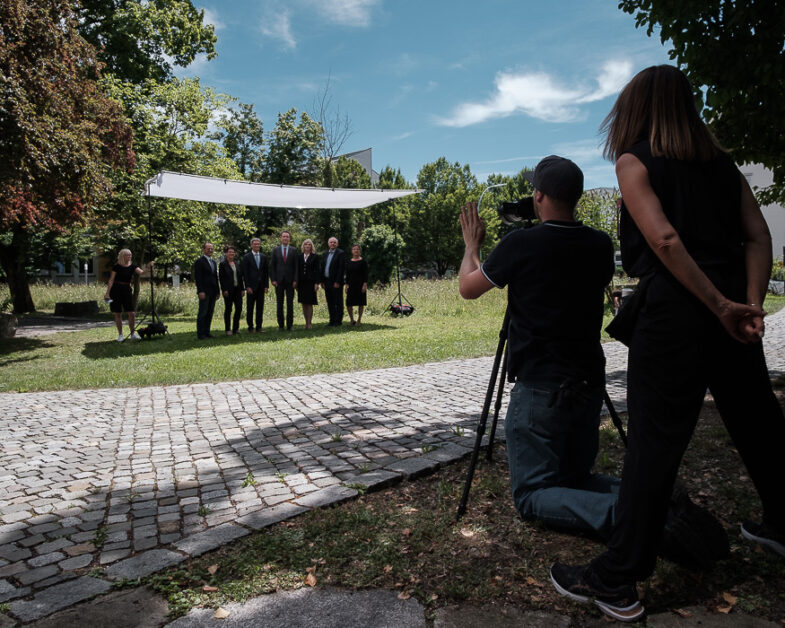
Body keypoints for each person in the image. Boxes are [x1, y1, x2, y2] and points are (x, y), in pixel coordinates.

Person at [550, 65, 785, 623]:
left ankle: (618, 578)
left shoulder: (634, 161)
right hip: (729, 311)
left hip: (677, 317)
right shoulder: (724, 167)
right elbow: (758, 236)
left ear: (635, 107)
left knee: (654, 444)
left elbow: (664, 238)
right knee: (758, 421)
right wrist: (744, 302)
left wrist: (722, 305)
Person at [459, 156, 620, 541]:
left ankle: (630, 514)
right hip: (587, 381)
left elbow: (468, 287)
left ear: (539, 197)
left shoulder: (521, 243)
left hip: (540, 387)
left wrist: (471, 246)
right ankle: (650, 497)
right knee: (576, 478)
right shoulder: (600, 244)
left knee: (532, 495)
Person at [104, 249, 151, 342]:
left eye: (130, 255)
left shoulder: (133, 266)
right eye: (128, 255)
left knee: (132, 313)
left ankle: (132, 334)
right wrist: (107, 293)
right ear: (122, 256)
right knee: (118, 313)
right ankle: (120, 335)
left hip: (126, 289)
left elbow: (141, 273)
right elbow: (111, 280)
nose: (130, 256)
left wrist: (149, 267)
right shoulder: (116, 266)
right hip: (116, 290)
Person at [270, 230, 298, 330]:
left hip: (291, 282)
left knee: (290, 304)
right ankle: (281, 325)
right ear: (281, 238)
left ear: (289, 239)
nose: (285, 238)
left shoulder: (294, 250)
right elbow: (272, 266)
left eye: (287, 237)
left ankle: (290, 325)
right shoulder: (275, 250)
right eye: (284, 236)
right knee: (279, 304)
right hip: (279, 281)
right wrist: (273, 279)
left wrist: (295, 280)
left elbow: (296, 267)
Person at [240, 237, 269, 333]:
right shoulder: (246, 257)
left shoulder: (264, 257)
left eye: (258, 244)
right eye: (255, 244)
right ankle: (250, 327)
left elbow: (266, 272)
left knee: (260, 308)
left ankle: (259, 327)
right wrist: (247, 286)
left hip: (261, 287)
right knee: (250, 308)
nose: (257, 245)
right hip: (251, 287)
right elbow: (245, 273)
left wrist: (266, 286)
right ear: (251, 245)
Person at [194, 241, 220, 340]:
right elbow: (198, 278)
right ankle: (201, 334)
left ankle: (207, 332)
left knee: (210, 313)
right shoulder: (199, 262)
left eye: (211, 248)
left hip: (213, 291)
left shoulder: (213, 262)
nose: (210, 250)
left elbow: (215, 278)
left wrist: (218, 291)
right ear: (203, 249)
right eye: (208, 248)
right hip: (204, 292)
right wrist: (200, 291)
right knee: (203, 313)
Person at [219, 245, 245, 335]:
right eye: (230, 252)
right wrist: (224, 290)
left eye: (233, 252)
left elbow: (240, 277)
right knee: (228, 310)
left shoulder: (237, 263)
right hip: (228, 291)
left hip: (238, 290)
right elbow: (221, 278)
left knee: (239, 308)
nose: (231, 253)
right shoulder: (222, 264)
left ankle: (236, 328)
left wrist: (242, 289)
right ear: (226, 253)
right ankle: (227, 329)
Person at [321, 236, 346, 326]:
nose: (332, 244)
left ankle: (338, 321)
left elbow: (341, 268)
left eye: (334, 242)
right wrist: (322, 281)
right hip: (327, 282)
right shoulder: (325, 254)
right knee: (330, 301)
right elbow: (322, 268)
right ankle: (331, 320)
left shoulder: (340, 253)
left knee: (338, 301)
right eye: (331, 242)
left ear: (337, 244)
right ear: (328, 244)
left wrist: (338, 281)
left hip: (336, 282)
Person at [297, 239, 320, 329]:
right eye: (306, 244)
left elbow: (317, 271)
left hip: (311, 283)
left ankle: (309, 323)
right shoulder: (299, 256)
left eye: (309, 244)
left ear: (311, 246)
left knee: (309, 303)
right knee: (303, 303)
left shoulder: (315, 257)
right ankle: (305, 322)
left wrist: (316, 283)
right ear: (303, 246)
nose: (307, 245)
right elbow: (297, 270)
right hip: (301, 283)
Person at [345, 244, 368, 326]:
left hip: (360, 285)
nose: (356, 250)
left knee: (360, 303)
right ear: (352, 251)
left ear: (359, 251)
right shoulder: (349, 262)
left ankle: (359, 320)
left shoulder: (363, 262)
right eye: (354, 249)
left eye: (357, 249)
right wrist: (346, 285)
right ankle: (351, 319)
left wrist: (364, 285)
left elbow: (365, 274)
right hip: (351, 285)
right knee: (348, 303)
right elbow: (347, 275)